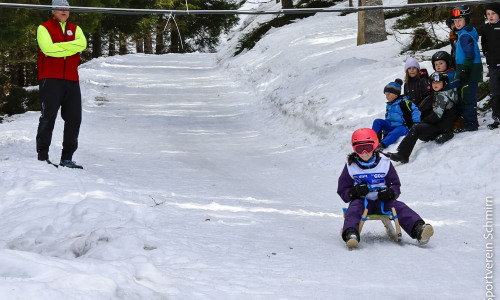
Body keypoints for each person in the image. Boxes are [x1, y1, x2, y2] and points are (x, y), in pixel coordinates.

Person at [337, 128, 434, 249]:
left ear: (375, 146)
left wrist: (390, 192)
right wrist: (354, 192)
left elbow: (395, 184)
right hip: (362, 201)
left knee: (398, 206)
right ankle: (351, 233)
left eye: (368, 147)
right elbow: (342, 189)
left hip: (382, 201)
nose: (364, 152)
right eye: (359, 149)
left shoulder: (385, 163)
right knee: (353, 209)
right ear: (354, 149)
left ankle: (418, 228)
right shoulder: (351, 166)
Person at [36, 0, 87, 168]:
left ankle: (66, 158)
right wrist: (72, 47)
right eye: (60, 8)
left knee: (74, 119)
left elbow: (83, 45)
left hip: (71, 80)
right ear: (53, 11)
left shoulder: (76, 28)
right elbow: (47, 49)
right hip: (50, 79)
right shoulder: (44, 28)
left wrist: (59, 47)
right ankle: (43, 156)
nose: (64, 11)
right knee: (48, 117)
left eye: (67, 9)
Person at [389, 72, 457, 164]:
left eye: (438, 82)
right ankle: (440, 135)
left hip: (443, 126)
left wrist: (423, 122)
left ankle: (402, 154)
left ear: (444, 83)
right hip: (445, 124)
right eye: (433, 83)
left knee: (416, 128)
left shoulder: (442, 96)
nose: (435, 85)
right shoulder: (446, 92)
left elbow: (437, 115)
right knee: (420, 131)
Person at [451, 5, 483, 132]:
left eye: (460, 20)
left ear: (466, 20)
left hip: (468, 70)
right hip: (468, 70)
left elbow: (470, 54)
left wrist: (464, 70)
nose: (457, 23)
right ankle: (467, 121)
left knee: (468, 97)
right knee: (465, 95)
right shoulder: (467, 32)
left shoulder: (464, 36)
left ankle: (471, 124)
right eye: (455, 21)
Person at [372, 79, 420, 150]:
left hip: (403, 127)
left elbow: (415, 110)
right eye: (386, 94)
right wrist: (385, 131)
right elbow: (388, 116)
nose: (387, 96)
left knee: (396, 131)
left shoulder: (404, 102)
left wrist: (416, 123)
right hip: (391, 125)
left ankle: (382, 145)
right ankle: (374, 142)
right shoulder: (390, 104)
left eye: (388, 94)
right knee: (377, 121)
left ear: (396, 94)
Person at [481, 3, 500, 130]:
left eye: (493, 13)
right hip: (493, 66)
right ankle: (497, 118)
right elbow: (484, 44)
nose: (490, 16)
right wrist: (488, 57)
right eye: (488, 14)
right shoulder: (486, 28)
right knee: (496, 93)